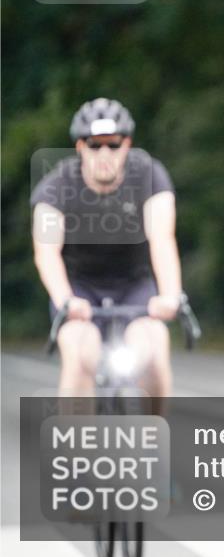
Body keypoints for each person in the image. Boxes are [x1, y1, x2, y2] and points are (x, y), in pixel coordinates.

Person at [31, 98, 184, 402]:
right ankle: (78, 445)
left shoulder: (151, 176)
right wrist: (66, 300)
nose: (104, 154)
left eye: (113, 145)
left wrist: (170, 295)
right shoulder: (55, 186)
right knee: (79, 357)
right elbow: (46, 252)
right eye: (93, 144)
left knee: (155, 348)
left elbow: (163, 238)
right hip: (78, 290)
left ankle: (153, 440)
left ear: (126, 145)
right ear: (80, 147)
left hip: (135, 288)